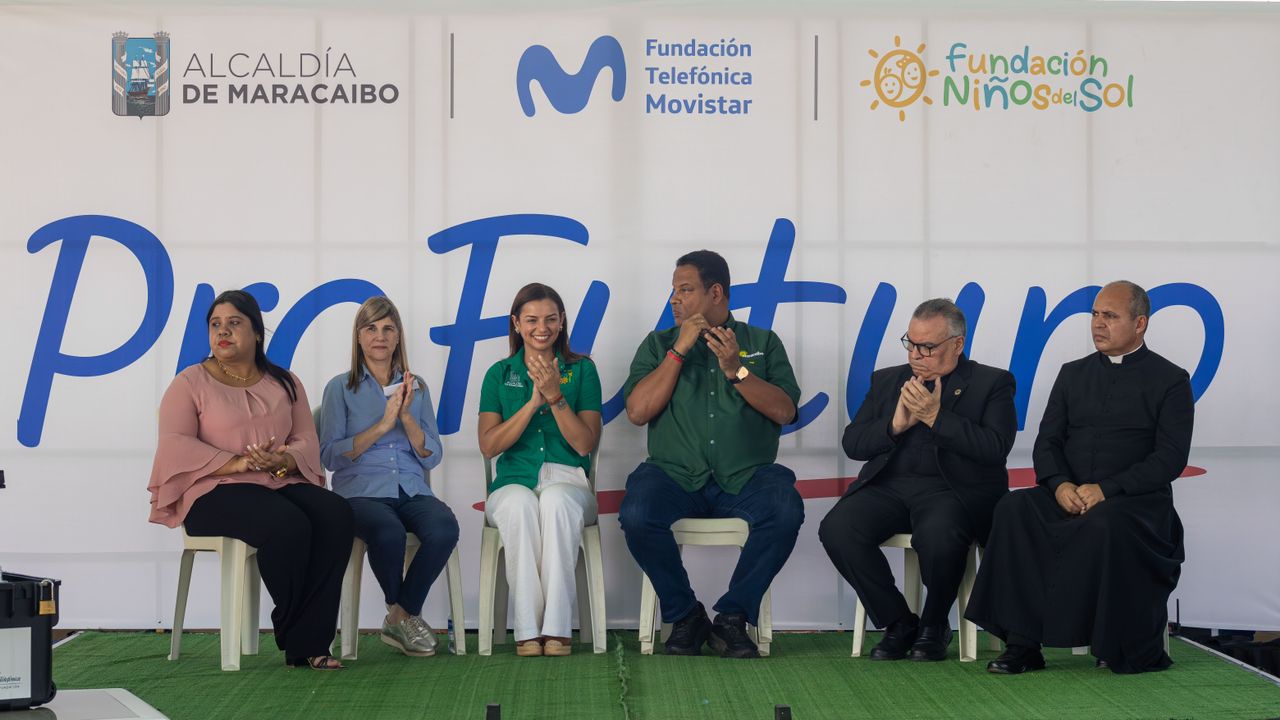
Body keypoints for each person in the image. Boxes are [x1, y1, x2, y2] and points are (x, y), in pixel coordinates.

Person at [966, 280, 1195, 675]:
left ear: (1140, 323)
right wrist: (1059, 485)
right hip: (1069, 495)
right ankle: (1022, 645)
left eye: (1110, 316)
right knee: (1014, 508)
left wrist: (1107, 489)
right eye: (1095, 315)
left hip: (1135, 505)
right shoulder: (1072, 374)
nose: (1098, 324)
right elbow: (1047, 443)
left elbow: (1170, 459)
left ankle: (1114, 643)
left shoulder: (1171, 380)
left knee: (1105, 523)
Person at [148, 289, 353, 670]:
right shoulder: (189, 383)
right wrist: (235, 464)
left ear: (257, 332)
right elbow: (174, 444)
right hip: (213, 492)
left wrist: (283, 459)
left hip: (278, 481)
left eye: (234, 323)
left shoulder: (285, 382)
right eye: (215, 324)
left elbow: (306, 438)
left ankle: (309, 638)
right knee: (288, 524)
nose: (222, 332)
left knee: (336, 514)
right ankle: (303, 637)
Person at [619, 250, 804, 659]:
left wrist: (737, 370)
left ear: (715, 292)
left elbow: (785, 411)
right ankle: (686, 615)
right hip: (673, 475)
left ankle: (732, 617)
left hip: (746, 477)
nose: (674, 299)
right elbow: (637, 412)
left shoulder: (762, 343)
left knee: (785, 508)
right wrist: (678, 351)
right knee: (637, 513)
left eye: (685, 290)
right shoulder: (658, 344)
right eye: (673, 290)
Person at [819, 299, 1016, 661]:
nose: (916, 355)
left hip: (952, 490)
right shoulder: (887, 380)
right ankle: (898, 621)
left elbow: (995, 447)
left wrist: (936, 417)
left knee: (940, 534)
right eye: (910, 344)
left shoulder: (992, 382)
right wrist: (894, 426)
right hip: (889, 487)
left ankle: (934, 622)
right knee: (838, 528)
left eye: (927, 347)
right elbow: (853, 443)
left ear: (957, 344)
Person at [318, 296, 458, 657]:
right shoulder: (339, 388)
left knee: (444, 528)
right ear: (359, 337)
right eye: (371, 328)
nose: (379, 336)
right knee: (389, 531)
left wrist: (406, 417)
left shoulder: (417, 387)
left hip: (410, 488)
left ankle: (398, 616)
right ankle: (404, 616)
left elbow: (432, 455)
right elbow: (329, 456)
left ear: (397, 337)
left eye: (387, 328)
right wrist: (382, 425)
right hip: (360, 492)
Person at [478, 283, 603, 657]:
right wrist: (533, 403)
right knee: (520, 506)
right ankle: (528, 630)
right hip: (512, 482)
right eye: (531, 320)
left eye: (550, 319)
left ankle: (557, 629)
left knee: (555, 502)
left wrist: (555, 396)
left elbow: (584, 444)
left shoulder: (582, 370)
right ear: (516, 324)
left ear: (562, 321)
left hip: (569, 481)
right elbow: (489, 445)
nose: (541, 328)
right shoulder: (499, 373)